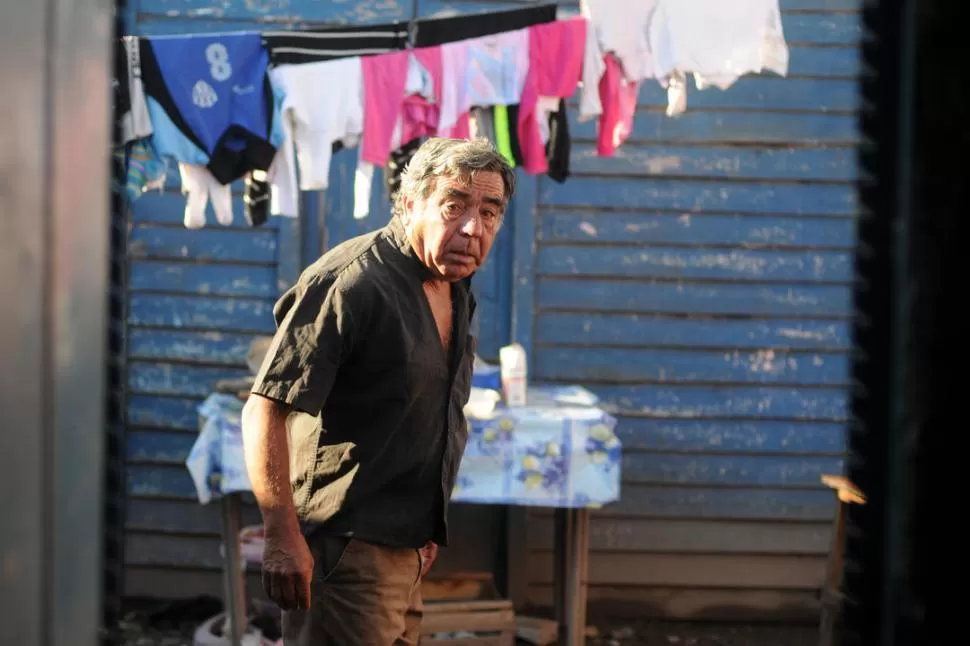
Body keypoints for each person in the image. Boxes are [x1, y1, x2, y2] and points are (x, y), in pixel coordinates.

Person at [241, 137, 515, 645]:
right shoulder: (352, 282)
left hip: (405, 548)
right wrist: (280, 535)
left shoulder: (453, 284)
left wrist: (425, 527)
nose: (473, 228)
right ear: (411, 203)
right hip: (345, 550)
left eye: (490, 212)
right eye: (453, 206)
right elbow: (265, 410)